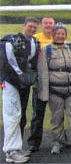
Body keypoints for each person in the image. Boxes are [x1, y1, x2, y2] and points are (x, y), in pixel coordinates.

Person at [37, 22, 71, 154]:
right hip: (55, 92)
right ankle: (58, 142)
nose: (61, 36)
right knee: (56, 118)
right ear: (53, 35)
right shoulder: (47, 50)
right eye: (58, 34)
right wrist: (44, 94)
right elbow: (43, 72)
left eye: (63, 34)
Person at [1, 17, 40, 163]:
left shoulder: (34, 42)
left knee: (19, 115)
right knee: (12, 115)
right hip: (11, 84)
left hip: (23, 85)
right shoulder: (10, 40)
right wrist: (19, 80)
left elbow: (32, 63)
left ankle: (15, 148)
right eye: (30, 26)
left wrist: (30, 78)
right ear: (24, 25)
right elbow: (5, 64)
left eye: (35, 28)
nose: (32, 30)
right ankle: (11, 152)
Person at [28, 16, 55, 152]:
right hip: (40, 83)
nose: (48, 26)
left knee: (57, 114)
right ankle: (34, 142)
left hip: (55, 82)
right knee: (37, 114)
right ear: (42, 25)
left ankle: (59, 141)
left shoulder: (58, 38)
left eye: (51, 23)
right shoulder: (35, 39)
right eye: (46, 23)